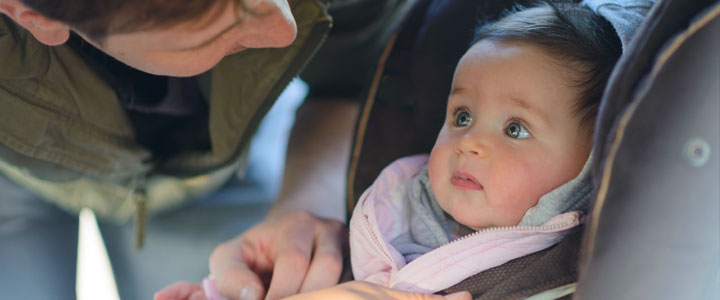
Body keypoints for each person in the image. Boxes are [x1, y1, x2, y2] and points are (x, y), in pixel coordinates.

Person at [0, 0, 432, 299]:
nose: (287, 30)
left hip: (215, 173)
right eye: (221, 22)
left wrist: (299, 208)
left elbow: (353, 76)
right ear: (33, 17)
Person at [346, 1, 621, 293]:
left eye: (515, 129)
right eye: (462, 117)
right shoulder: (396, 215)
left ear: (590, 164)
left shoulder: (565, 279)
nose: (468, 142)